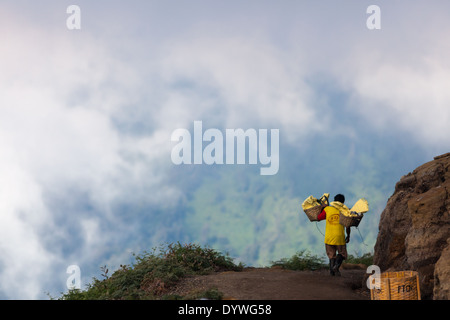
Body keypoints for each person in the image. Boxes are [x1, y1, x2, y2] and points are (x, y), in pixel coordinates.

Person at [317, 194, 351, 276]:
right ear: (343, 202)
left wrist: (322, 208)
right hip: (340, 237)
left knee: (331, 255)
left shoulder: (328, 209)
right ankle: (336, 267)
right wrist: (348, 235)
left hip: (329, 237)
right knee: (342, 254)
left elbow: (318, 218)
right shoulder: (345, 211)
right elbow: (348, 225)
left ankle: (332, 272)